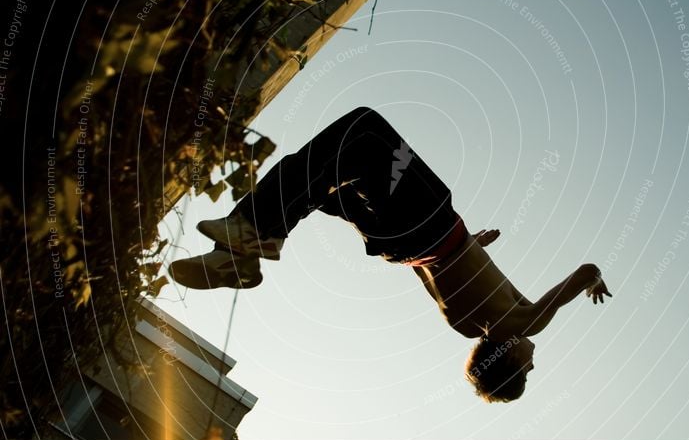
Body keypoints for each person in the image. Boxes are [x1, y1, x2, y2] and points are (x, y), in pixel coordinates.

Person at [168, 106, 611, 402]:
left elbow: (586, 269)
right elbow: (437, 275)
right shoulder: (464, 325)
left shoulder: (524, 322)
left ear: (509, 359)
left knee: (363, 130)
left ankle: (251, 238)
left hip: (429, 219)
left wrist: (592, 281)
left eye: (527, 371)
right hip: (401, 247)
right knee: (323, 177)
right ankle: (239, 249)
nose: (534, 362)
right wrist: (470, 246)